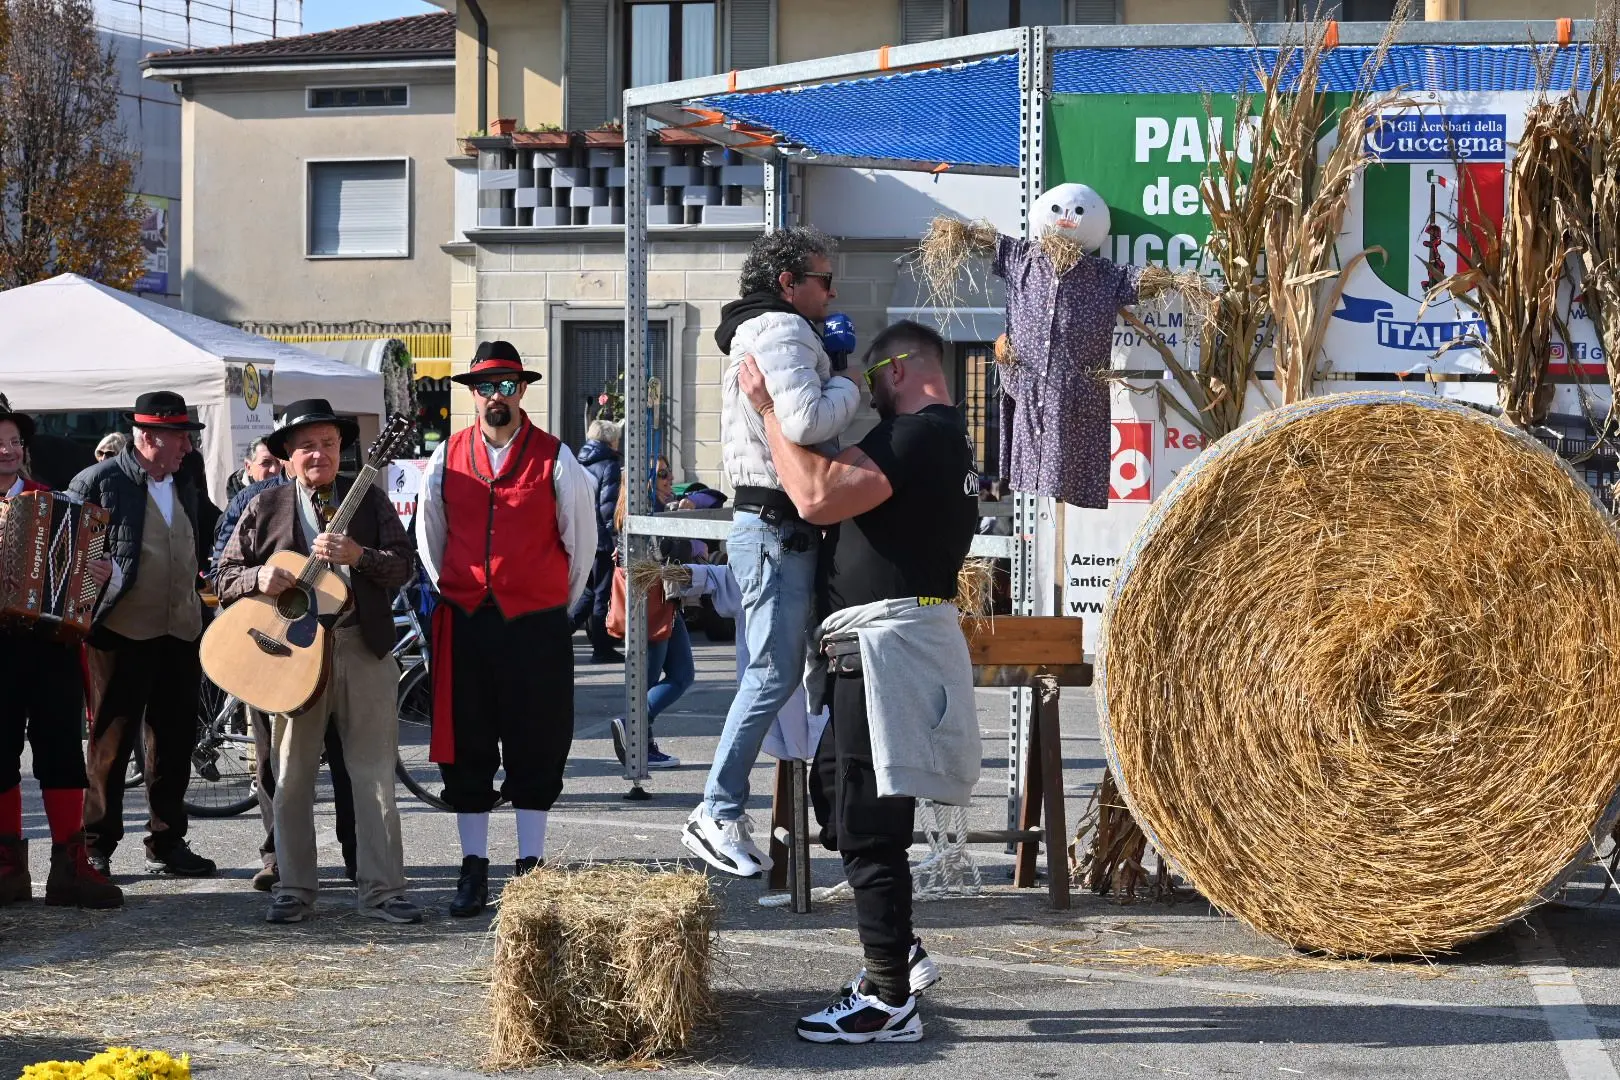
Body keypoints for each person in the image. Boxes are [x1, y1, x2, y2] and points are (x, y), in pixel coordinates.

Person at [737, 320, 979, 1044]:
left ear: (899, 369)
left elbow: (815, 496)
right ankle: (899, 952)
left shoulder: (919, 434)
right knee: (839, 808)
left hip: (885, 652)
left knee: (870, 828)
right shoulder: (936, 439)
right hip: (870, 650)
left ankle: (887, 998)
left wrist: (769, 410)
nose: (867, 395)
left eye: (871, 379)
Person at [684, 225, 861, 878]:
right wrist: (849, 380)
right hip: (777, 526)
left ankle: (727, 808)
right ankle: (717, 808)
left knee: (778, 672)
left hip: (774, 526)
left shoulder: (761, 330)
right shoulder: (783, 330)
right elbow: (806, 421)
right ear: (788, 283)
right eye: (823, 279)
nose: (832, 292)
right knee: (771, 674)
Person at [214, 399, 420, 924]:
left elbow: (405, 568)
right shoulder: (264, 505)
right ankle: (294, 886)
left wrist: (360, 557)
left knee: (374, 775)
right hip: (290, 654)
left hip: (361, 645)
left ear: (342, 448)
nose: (319, 454)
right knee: (290, 775)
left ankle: (383, 890)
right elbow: (221, 577)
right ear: (287, 454)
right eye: (307, 446)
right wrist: (258, 578)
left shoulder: (369, 499)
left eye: (328, 444)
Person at [415, 340, 594, 917]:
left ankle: (529, 866)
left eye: (507, 386)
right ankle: (473, 867)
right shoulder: (446, 457)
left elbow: (580, 542)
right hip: (468, 619)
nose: (497, 397)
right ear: (473, 395)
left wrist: (547, 603)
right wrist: (460, 590)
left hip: (534, 625)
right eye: (486, 387)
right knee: (467, 743)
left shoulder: (556, 458)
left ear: (522, 392)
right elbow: (430, 537)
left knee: (536, 738)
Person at [69, 391, 216, 877]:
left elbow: (213, 532)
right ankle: (96, 844)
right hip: (120, 629)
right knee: (111, 740)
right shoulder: (98, 481)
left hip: (181, 628)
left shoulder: (187, 478)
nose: (188, 448)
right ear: (150, 437)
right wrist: (94, 573)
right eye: (181, 438)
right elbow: (65, 551)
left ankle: (167, 840)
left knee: (175, 741)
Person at [0, 402, 121, 908]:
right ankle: (7, 865)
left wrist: (99, 575)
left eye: (14, 442)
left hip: (51, 644)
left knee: (61, 751)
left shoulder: (51, 501)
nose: (7, 451)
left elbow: (97, 568)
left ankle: (69, 865)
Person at [607, 458, 693, 771]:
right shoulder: (644, 511)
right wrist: (683, 520)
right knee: (648, 681)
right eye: (663, 474)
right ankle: (634, 729)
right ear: (644, 480)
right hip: (651, 603)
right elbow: (671, 553)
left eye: (670, 472)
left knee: (682, 674)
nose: (670, 479)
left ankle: (640, 735)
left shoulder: (642, 507)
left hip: (663, 602)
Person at [572, 419, 624, 664]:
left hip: (582, 536)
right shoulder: (609, 465)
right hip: (601, 540)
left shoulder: (578, 462)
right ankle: (601, 649)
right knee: (601, 594)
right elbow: (607, 508)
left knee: (589, 593)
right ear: (610, 441)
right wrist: (615, 541)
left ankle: (555, 637)